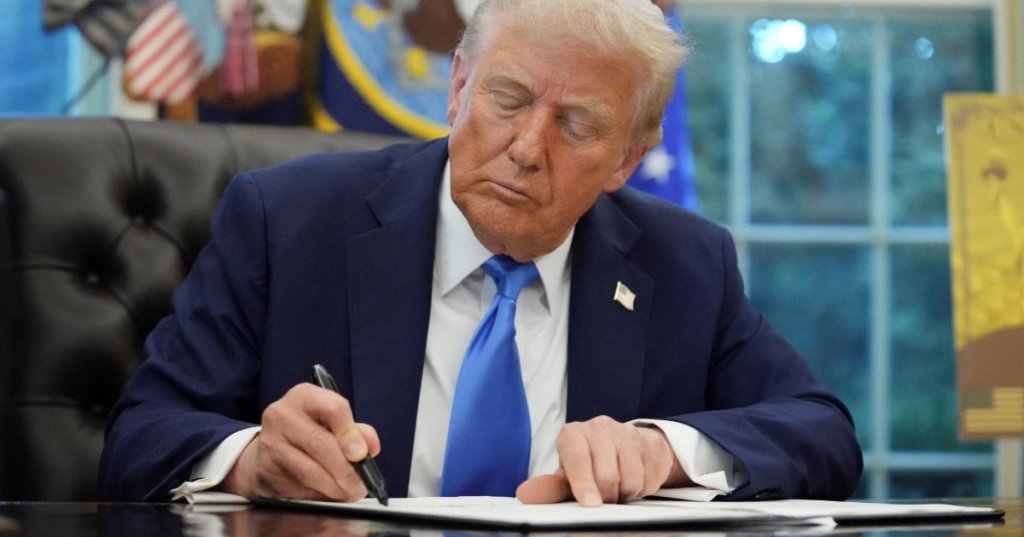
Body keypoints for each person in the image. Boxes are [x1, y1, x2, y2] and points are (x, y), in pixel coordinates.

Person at [99, 0, 863, 505]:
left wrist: (662, 449)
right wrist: (252, 460)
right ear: (458, 87)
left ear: (629, 157)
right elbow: (139, 436)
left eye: (576, 125)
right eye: (509, 99)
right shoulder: (287, 220)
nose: (527, 148)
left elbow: (823, 431)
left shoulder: (683, 262)